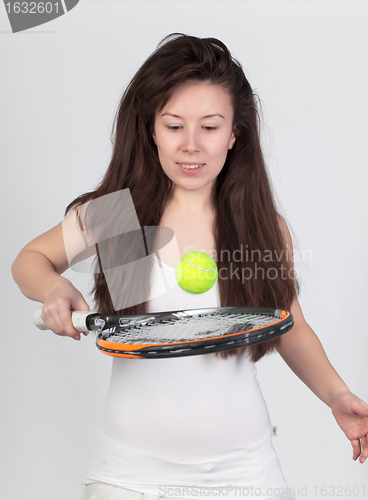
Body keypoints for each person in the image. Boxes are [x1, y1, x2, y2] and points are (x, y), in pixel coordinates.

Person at [12, 33, 368, 500]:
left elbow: (288, 325)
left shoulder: (259, 225)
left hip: (249, 477)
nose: (191, 145)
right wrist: (53, 289)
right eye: (175, 126)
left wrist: (337, 396)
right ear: (151, 129)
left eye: (210, 126)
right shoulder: (119, 216)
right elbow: (30, 260)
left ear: (235, 133)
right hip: (129, 479)